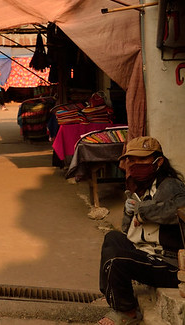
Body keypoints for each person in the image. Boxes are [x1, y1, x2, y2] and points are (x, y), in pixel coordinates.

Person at [98, 136, 185, 325]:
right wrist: (129, 212)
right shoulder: (141, 186)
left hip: (167, 263)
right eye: (132, 160)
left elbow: (178, 210)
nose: (136, 165)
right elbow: (126, 229)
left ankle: (127, 312)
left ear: (158, 162)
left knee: (116, 260)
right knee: (112, 238)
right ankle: (113, 295)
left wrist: (143, 211)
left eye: (142, 160)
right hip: (144, 252)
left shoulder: (171, 186)